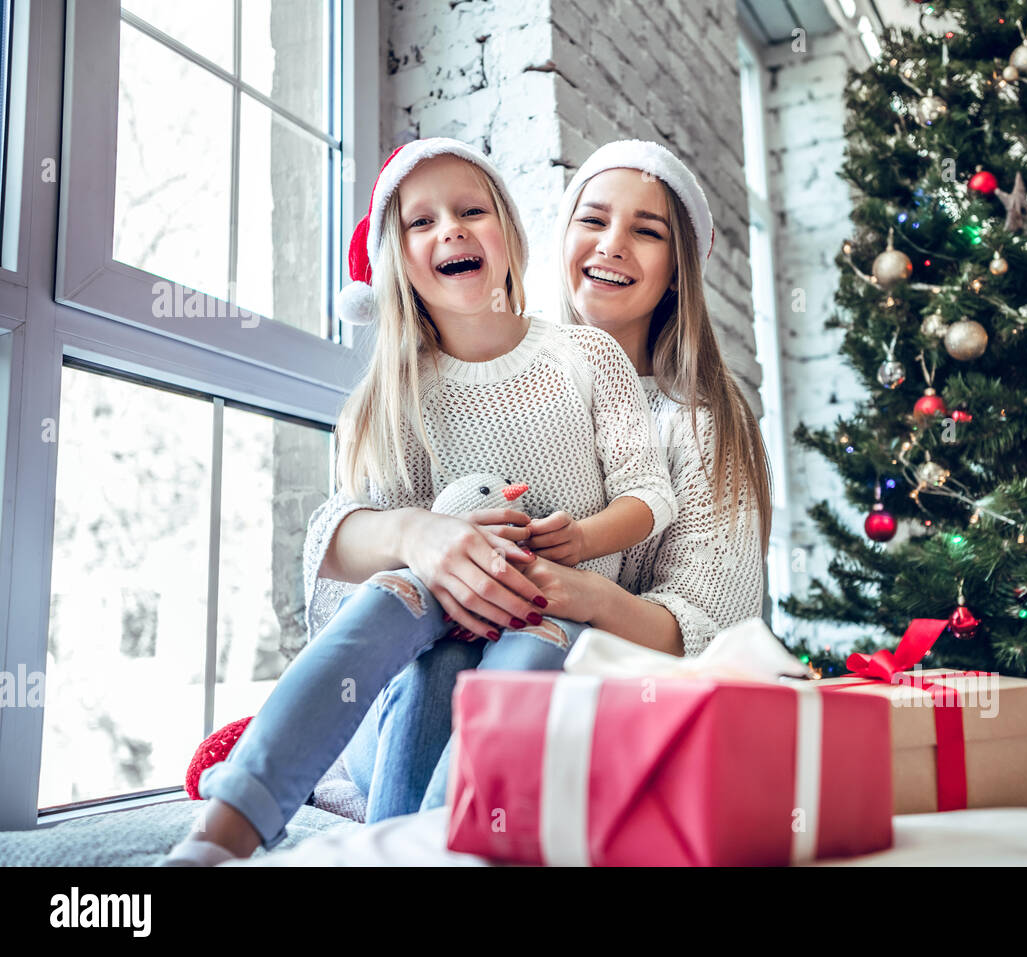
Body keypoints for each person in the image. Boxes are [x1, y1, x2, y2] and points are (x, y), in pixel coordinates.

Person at [161, 137, 676, 865]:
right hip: (441, 610)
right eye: (421, 222)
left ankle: (430, 843)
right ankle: (226, 825)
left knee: (493, 677)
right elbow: (337, 535)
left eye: (472, 211)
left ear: (509, 233)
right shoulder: (397, 394)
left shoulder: (586, 356)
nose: (452, 231)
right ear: (397, 259)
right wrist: (431, 537)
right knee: (399, 594)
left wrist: (583, 542)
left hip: (551, 610)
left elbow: (650, 495)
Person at [346, 139, 774, 819]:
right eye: (593, 220)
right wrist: (424, 538)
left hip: (600, 689)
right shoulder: (484, 374)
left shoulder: (700, 423)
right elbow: (346, 530)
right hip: (456, 663)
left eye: (647, 231)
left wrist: (573, 593)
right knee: (437, 670)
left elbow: (715, 627)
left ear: (677, 272)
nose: (612, 244)